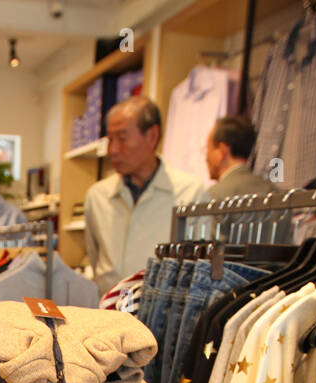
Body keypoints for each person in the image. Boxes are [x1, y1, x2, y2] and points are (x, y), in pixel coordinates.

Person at [84, 96, 198, 294]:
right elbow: (95, 258)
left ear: (152, 136)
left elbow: (196, 272)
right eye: (110, 140)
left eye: (122, 138)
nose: (113, 150)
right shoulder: (97, 196)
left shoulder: (190, 194)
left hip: (160, 320)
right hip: (106, 315)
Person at [188, 116, 281, 239]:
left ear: (222, 151)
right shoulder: (275, 192)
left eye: (208, 149)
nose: (206, 158)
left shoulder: (215, 195)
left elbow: (210, 253)